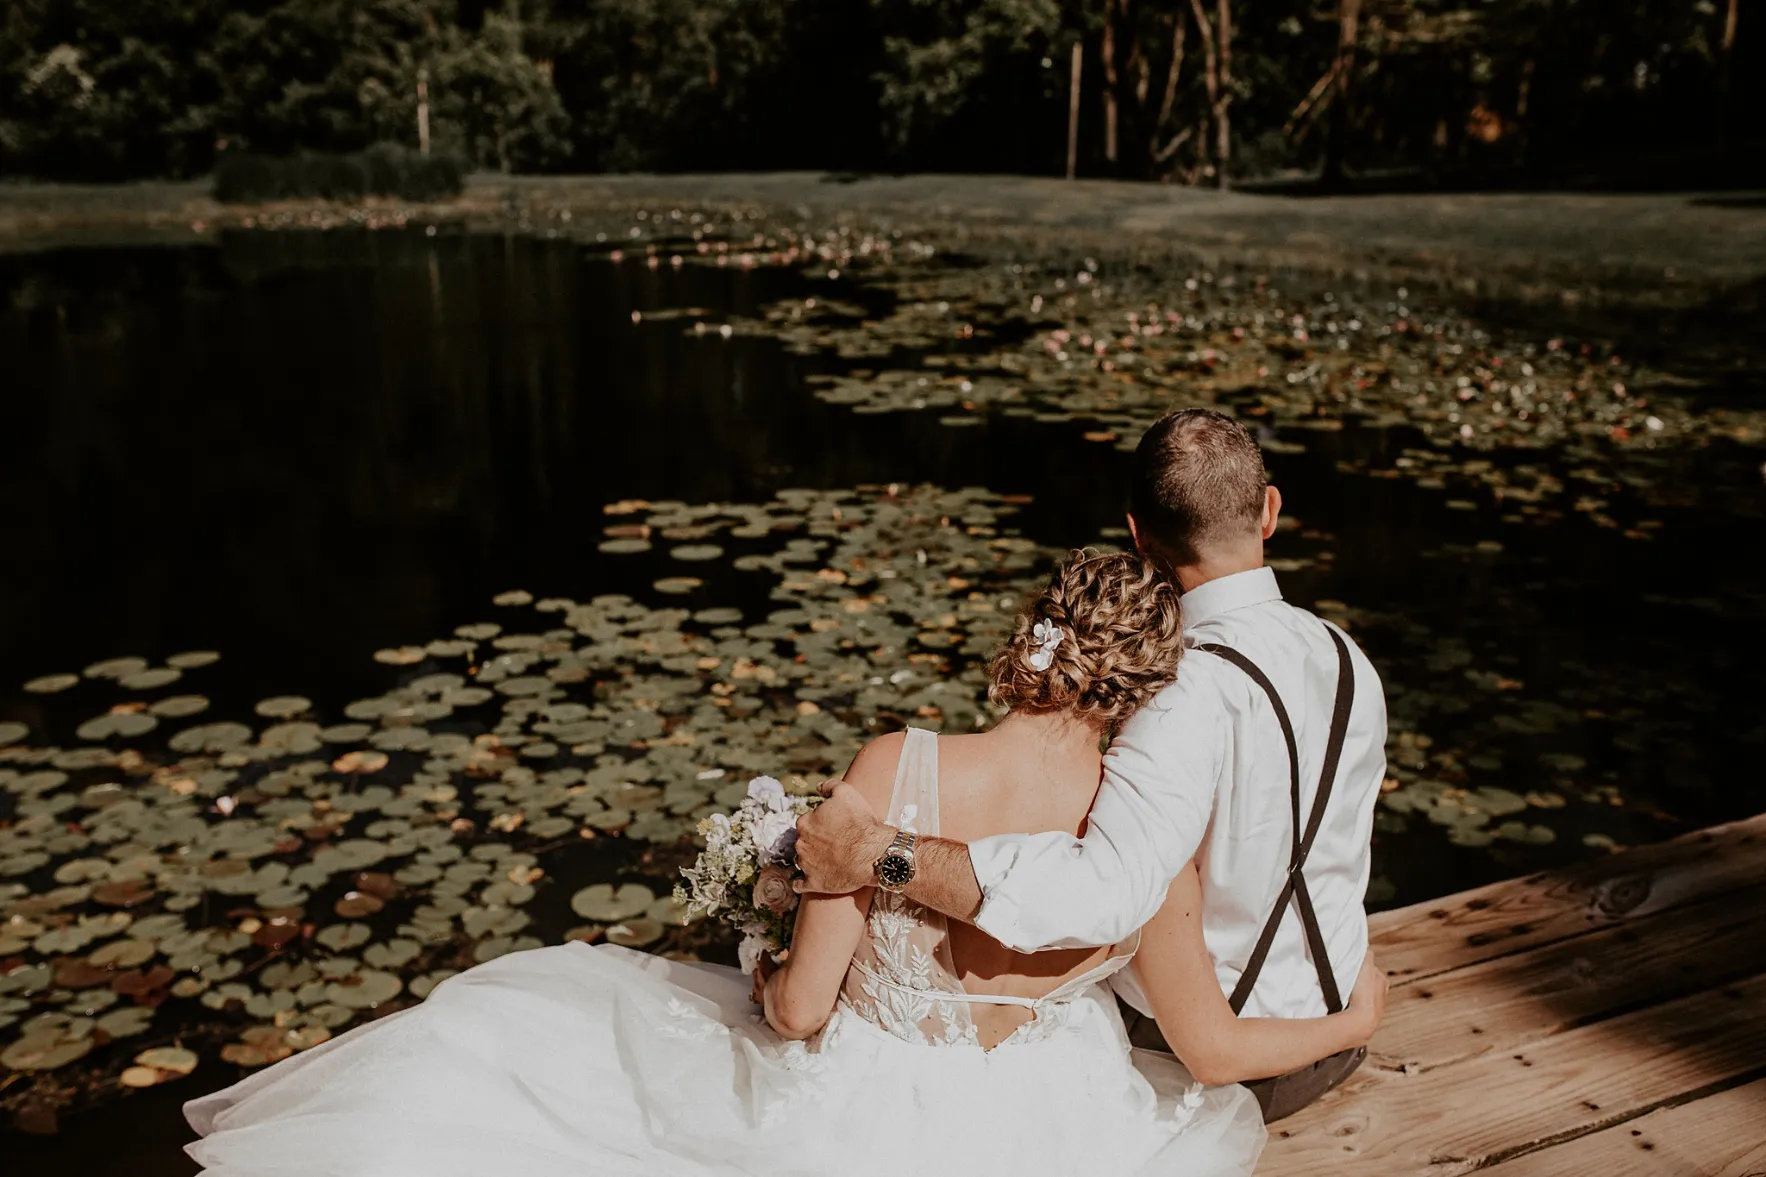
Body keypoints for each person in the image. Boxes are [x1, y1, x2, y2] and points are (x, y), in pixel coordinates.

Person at [184, 549, 1383, 1177]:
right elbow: (1212, 1048)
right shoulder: (1147, 843)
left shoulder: (898, 770)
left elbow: (806, 1010)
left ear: (1037, 635)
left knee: (540, 1054)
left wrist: (764, 958)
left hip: (869, 1117)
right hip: (1068, 1132)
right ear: (1139, 684)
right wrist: (1352, 1011)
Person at [795, 407, 1390, 1120]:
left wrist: (875, 851)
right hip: (1335, 1021)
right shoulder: (1349, 659)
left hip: (1214, 1068)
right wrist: (1354, 1020)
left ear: (1138, 535)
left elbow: (1098, 895)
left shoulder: (1181, 690)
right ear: (1269, 510)